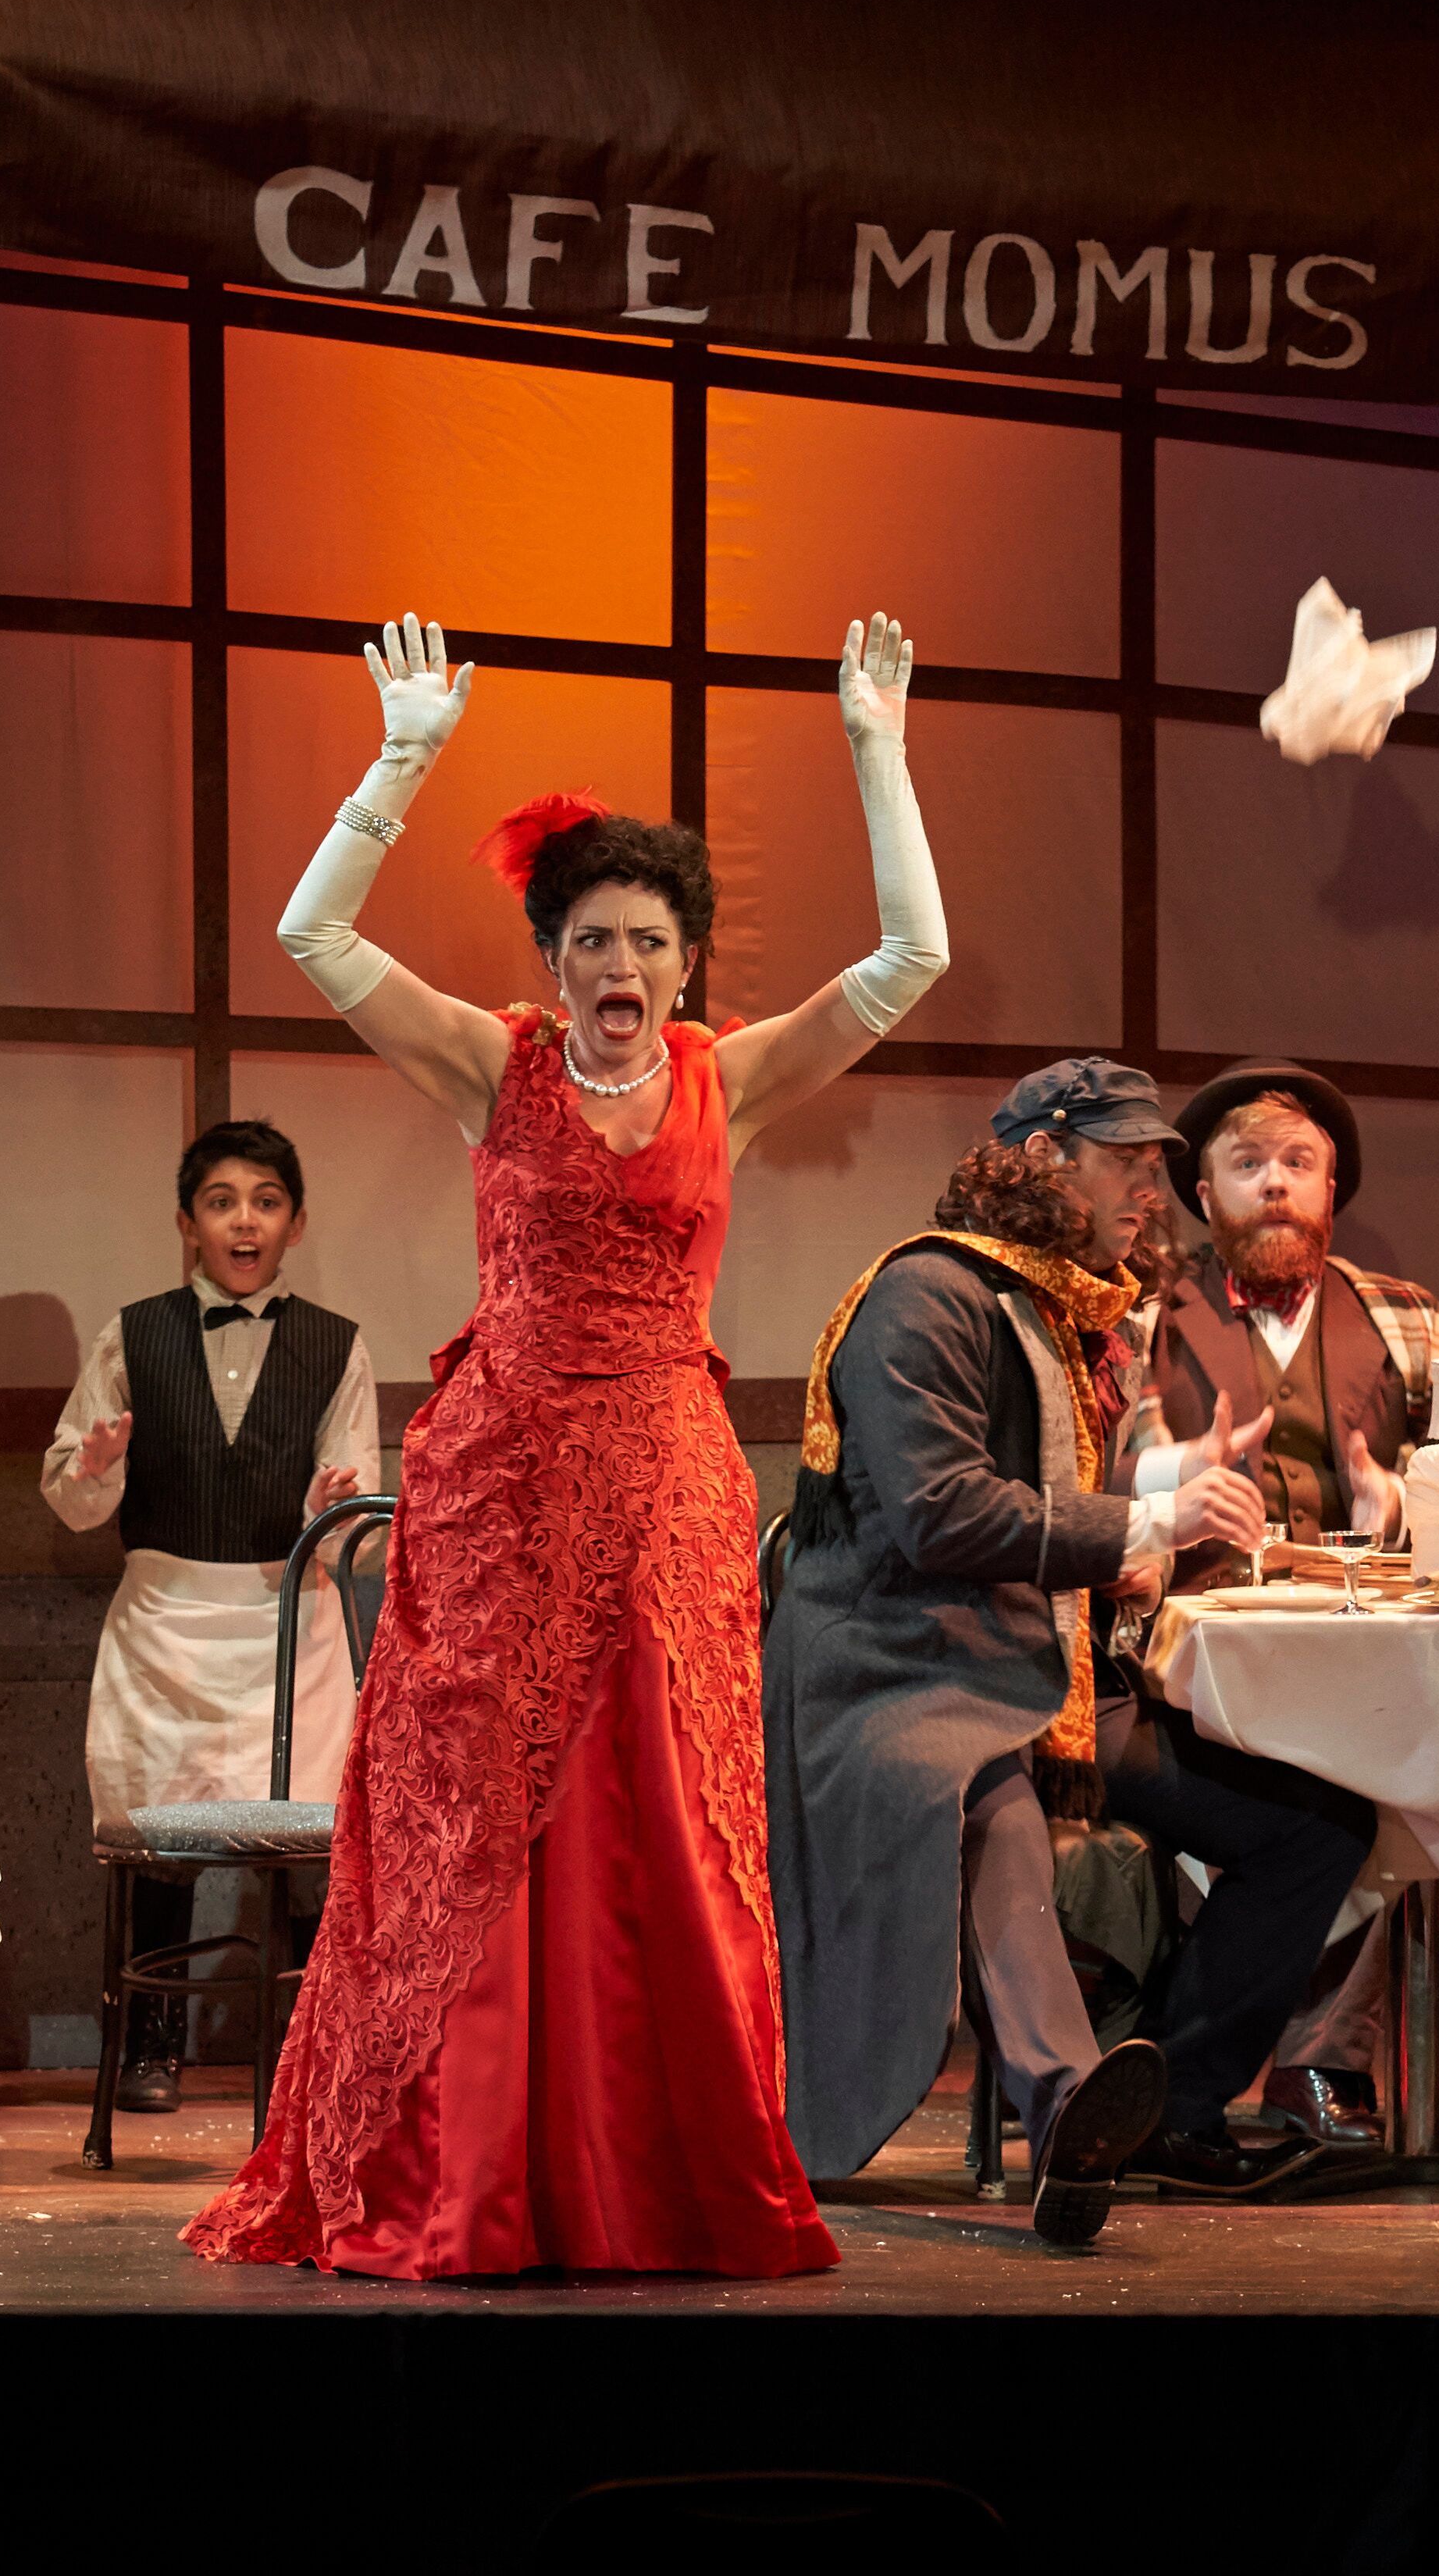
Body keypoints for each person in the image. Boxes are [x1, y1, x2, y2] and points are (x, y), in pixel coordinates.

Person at [188, 608, 945, 2279]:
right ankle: (463, 2173)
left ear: (686, 964)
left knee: (664, 1813)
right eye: (592, 938)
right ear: (554, 961)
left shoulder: (722, 1082)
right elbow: (314, 932)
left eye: (648, 941)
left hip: (669, 1469)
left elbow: (908, 966)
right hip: (500, 1480)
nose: (620, 967)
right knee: (471, 1823)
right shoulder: (496, 1068)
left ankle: (651, 2174)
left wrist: (874, 750)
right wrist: (399, 764)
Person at [769, 1060, 1377, 2241]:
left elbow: (1043, 1506)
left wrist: (1150, 1528)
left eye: (1158, 1170)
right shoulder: (925, 1295)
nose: (1153, 1194)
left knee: (1314, 1828)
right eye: (1128, 1165)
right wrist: (1149, 1523)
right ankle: (1063, 2107)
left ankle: (1164, 2111)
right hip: (890, 1673)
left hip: (1034, 1672)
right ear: (1043, 1161)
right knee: (991, 1796)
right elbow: (939, 1513)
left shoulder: (1059, 1307)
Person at [1135, 1061, 1439, 2150]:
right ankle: (1191, 2069)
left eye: (1298, 1165)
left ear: (1331, 1189)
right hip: (1187, 1653)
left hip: (1360, 1634)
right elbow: (1093, 1474)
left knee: (1392, 1792)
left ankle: (1325, 2063)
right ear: (1204, 1192)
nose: (1275, 1185)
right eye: (1248, 1165)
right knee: (1300, 1815)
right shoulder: (1139, 1315)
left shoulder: (1408, 1321)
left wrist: (1396, 1500)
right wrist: (1175, 1478)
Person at [43, 1117, 379, 2109]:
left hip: (293, 1622)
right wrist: (96, 1468)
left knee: (311, 1852)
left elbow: (360, 1514)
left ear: (297, 1223)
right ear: (187, 1224)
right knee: (164, 1846)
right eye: (223, 1203)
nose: (245, 1222)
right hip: (162, 1622)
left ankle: (314, 2055)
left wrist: (334, 1513)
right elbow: (72, 1496)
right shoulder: (130, 1333)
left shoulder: (336, 1344)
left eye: (266, 1203)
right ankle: (151, 2045)